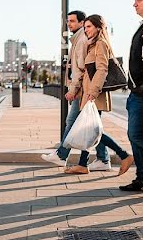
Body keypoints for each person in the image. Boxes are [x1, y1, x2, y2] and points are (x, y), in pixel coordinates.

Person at [65, 15, 134, 177]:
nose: (86, 30)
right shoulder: (91, 44)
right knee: (89, 129)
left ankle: (124, 155)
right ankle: (83, 164)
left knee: (92, 130)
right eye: (85, 27)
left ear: (98, 28)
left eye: (89, 27)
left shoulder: (100, 45)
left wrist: (92, 93)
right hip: (89, 93)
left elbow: (102, 69)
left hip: (93, 94)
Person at [41, 10, 109, 170]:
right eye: (68, 21)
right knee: (89, 124)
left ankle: (62, 155)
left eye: (72, 21)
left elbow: (80, 69)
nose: (69, 24)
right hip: (85, 89)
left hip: (85, 89)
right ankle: (102, 159)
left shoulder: (82, 41)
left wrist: (74, 90)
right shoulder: (81, 39)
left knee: (77, 123)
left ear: (81, 22)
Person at [120, 0, 143, 192]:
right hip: (137, 92)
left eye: (138, 1)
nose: (134, 5)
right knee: (136, 135)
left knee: (137, 134)